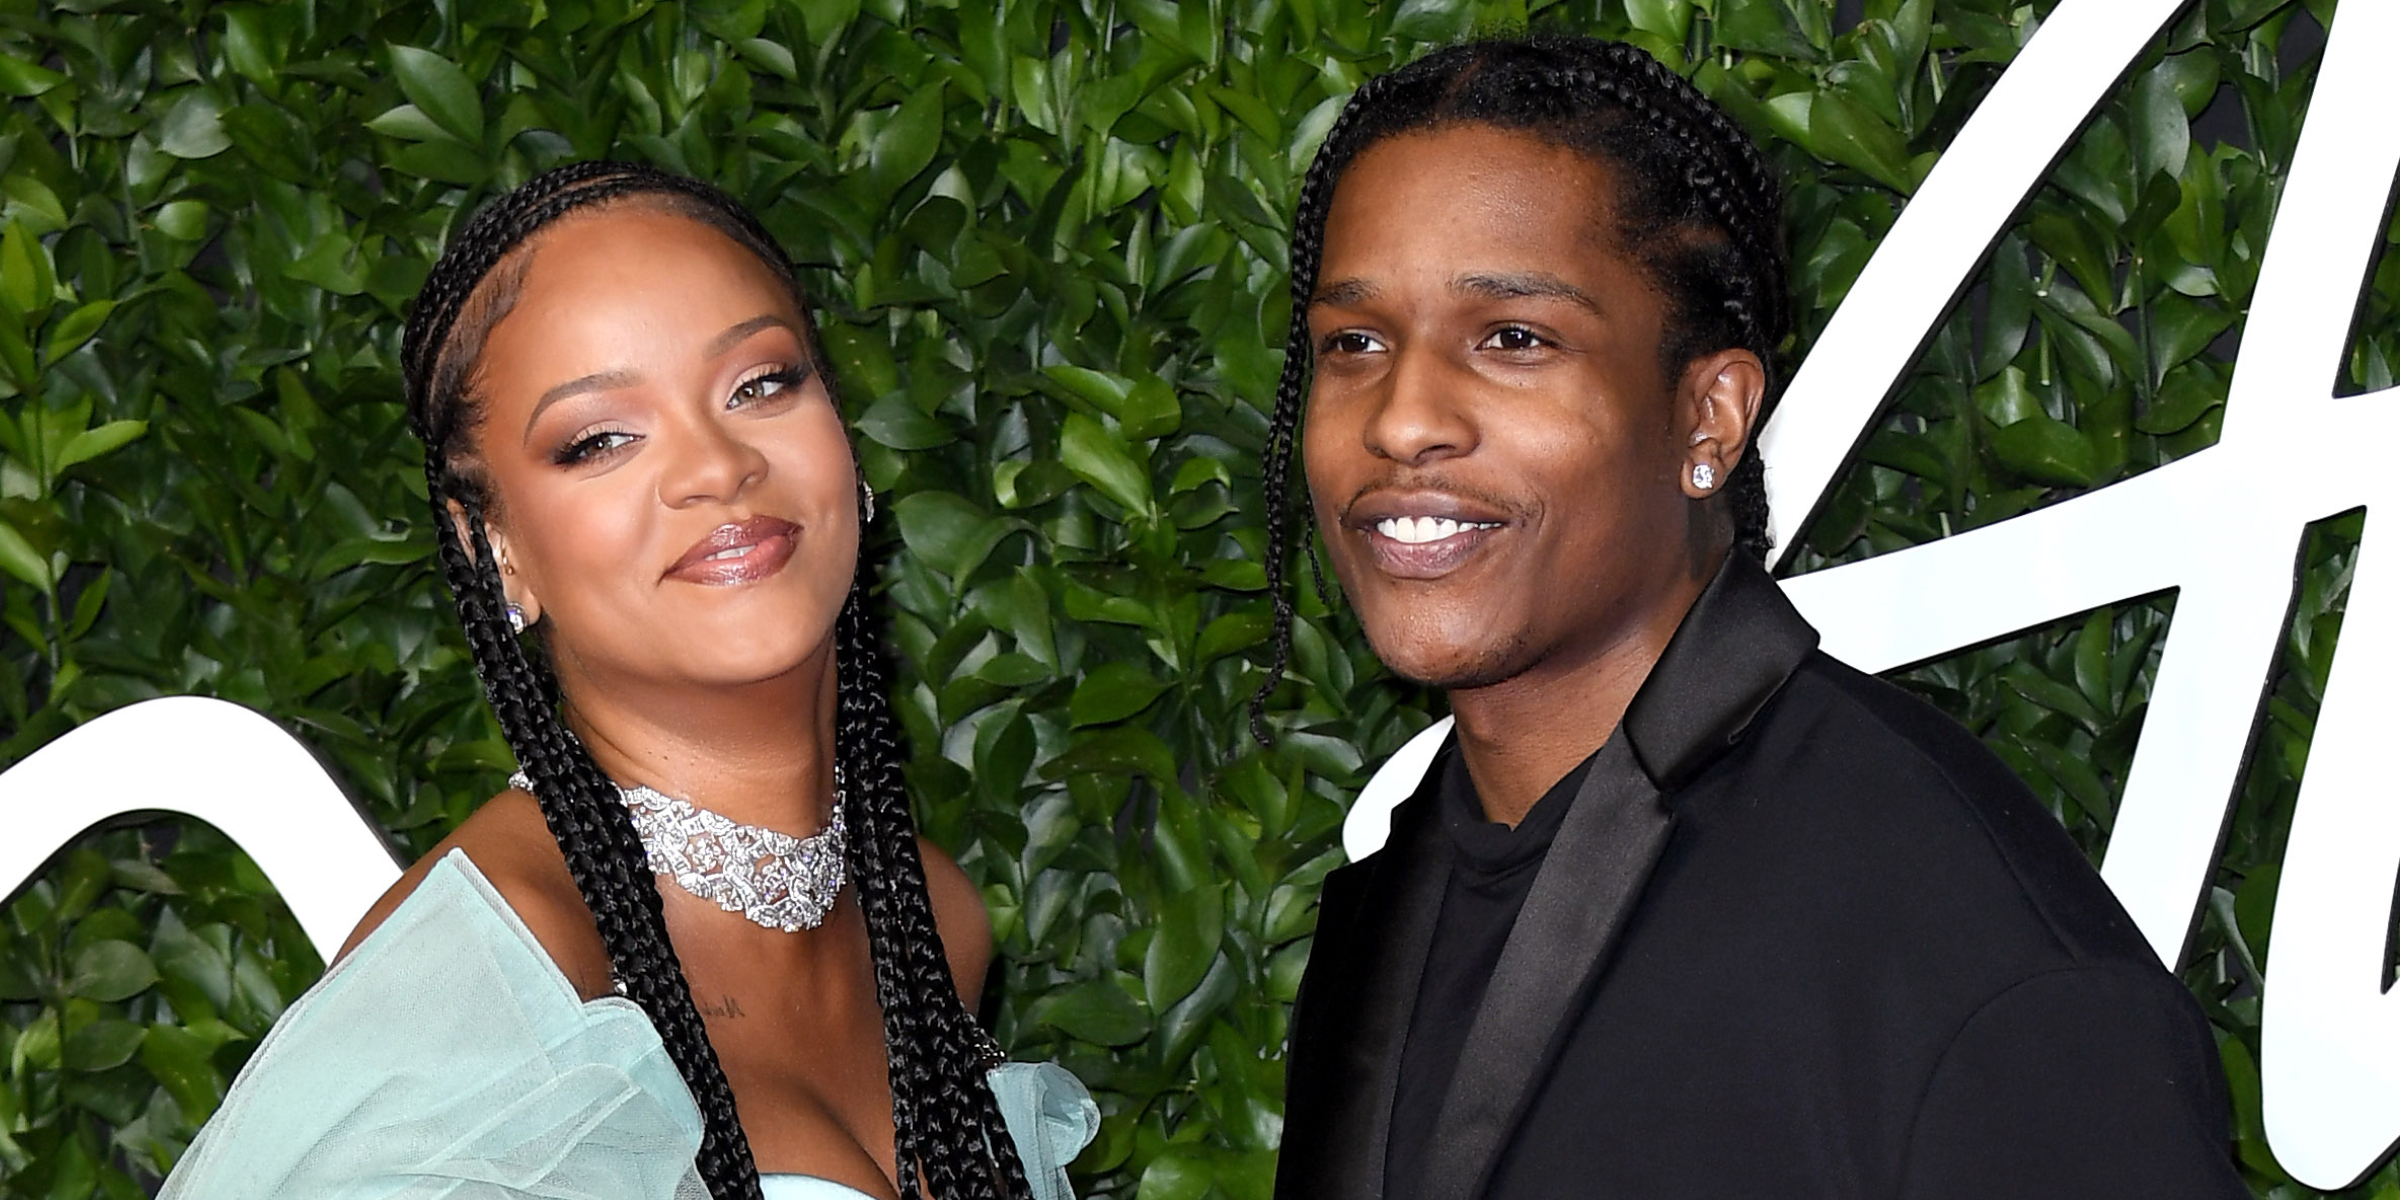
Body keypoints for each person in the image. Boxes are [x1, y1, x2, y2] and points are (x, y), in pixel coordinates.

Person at [1259, 37, 2250, 1200]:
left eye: (1513, 339)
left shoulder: (1953, 947)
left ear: (1708, 420)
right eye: (1355, 344)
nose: (1402, 419)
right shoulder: (1390, 899)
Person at [159, 163, 1095, 1200]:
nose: (715, 464)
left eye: (762, 383)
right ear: (495, 546)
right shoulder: (503, 976)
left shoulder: (930, 913)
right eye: (601, 438)